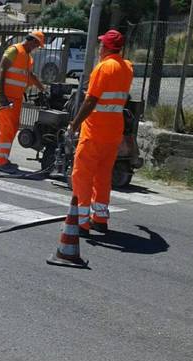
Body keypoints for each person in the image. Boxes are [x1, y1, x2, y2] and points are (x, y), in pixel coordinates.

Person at [69, 29, 134, 235]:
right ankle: (100, 218)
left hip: (94, 132)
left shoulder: (103, 68)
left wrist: (74, 124)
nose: (99, 48)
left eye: (101, 44)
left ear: (105, 47)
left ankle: (81, 222)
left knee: (82, 175)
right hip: (113, 132)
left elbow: (91, 100)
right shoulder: (127, 68)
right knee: (103, 176)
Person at [0, 30, 46, 173]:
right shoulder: (14, 50)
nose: (36, 48)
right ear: (32, 41)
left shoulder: (28, 58)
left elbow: (30, 75)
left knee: (12, 128)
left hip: (15, 99)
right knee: (6, 129)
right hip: (6, 97)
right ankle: (0, 162)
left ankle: (3, 158)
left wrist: (42, 88)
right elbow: (1, 70)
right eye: (37, 45)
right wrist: (2, 95)